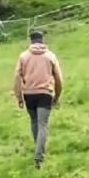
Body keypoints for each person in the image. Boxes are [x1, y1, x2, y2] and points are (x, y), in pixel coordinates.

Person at [13, 29, 65, 168]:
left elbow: (17, 77)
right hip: (45, 93)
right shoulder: (50, 56)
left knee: (34, 122)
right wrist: (57, 96)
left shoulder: (23, 56)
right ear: (42, 40)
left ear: (31, 40)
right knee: (43, 125)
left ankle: (38, 151)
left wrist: (19, 97)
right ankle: (39, 156)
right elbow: (59, 79)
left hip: (29, 94)